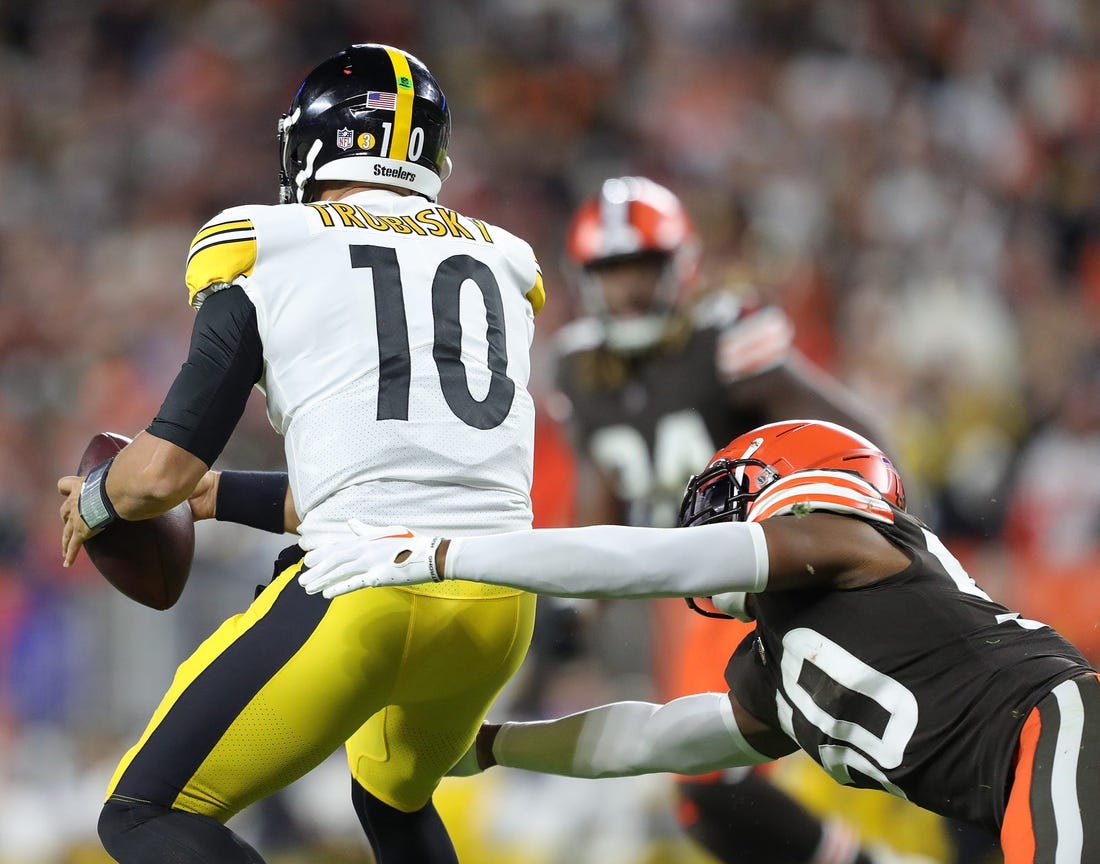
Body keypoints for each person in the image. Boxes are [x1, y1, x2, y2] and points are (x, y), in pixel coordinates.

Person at [57, 44, 544, 864]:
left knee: (143, 812)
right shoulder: (505, 259)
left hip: (366, 596)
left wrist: (100, 497)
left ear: (315, 144)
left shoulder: (266, 242)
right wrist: (222, 496)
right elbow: (402, 476)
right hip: (499, 604)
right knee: (392, 795)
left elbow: (159, 473)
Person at [299, 419, 1100, 864]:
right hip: (1019, 784)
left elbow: (649, 561)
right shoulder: (780, 662)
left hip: (1056, 727)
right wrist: (497, 745)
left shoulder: (854, 540)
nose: (706, 522)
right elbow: (652, 737)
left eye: (723, 498)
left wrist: (444, 552)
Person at [546, 175, 930, 864]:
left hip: (769, 573)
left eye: (644, 269)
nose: (629, 290)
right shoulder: (578, 369)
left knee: (862, 752)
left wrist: (873, 538)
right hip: (691, 599)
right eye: (613, 272)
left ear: (680, 267)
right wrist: (577, 605)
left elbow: (859, 438)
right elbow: (602, 486)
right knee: (709, 796)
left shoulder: (724, 340)